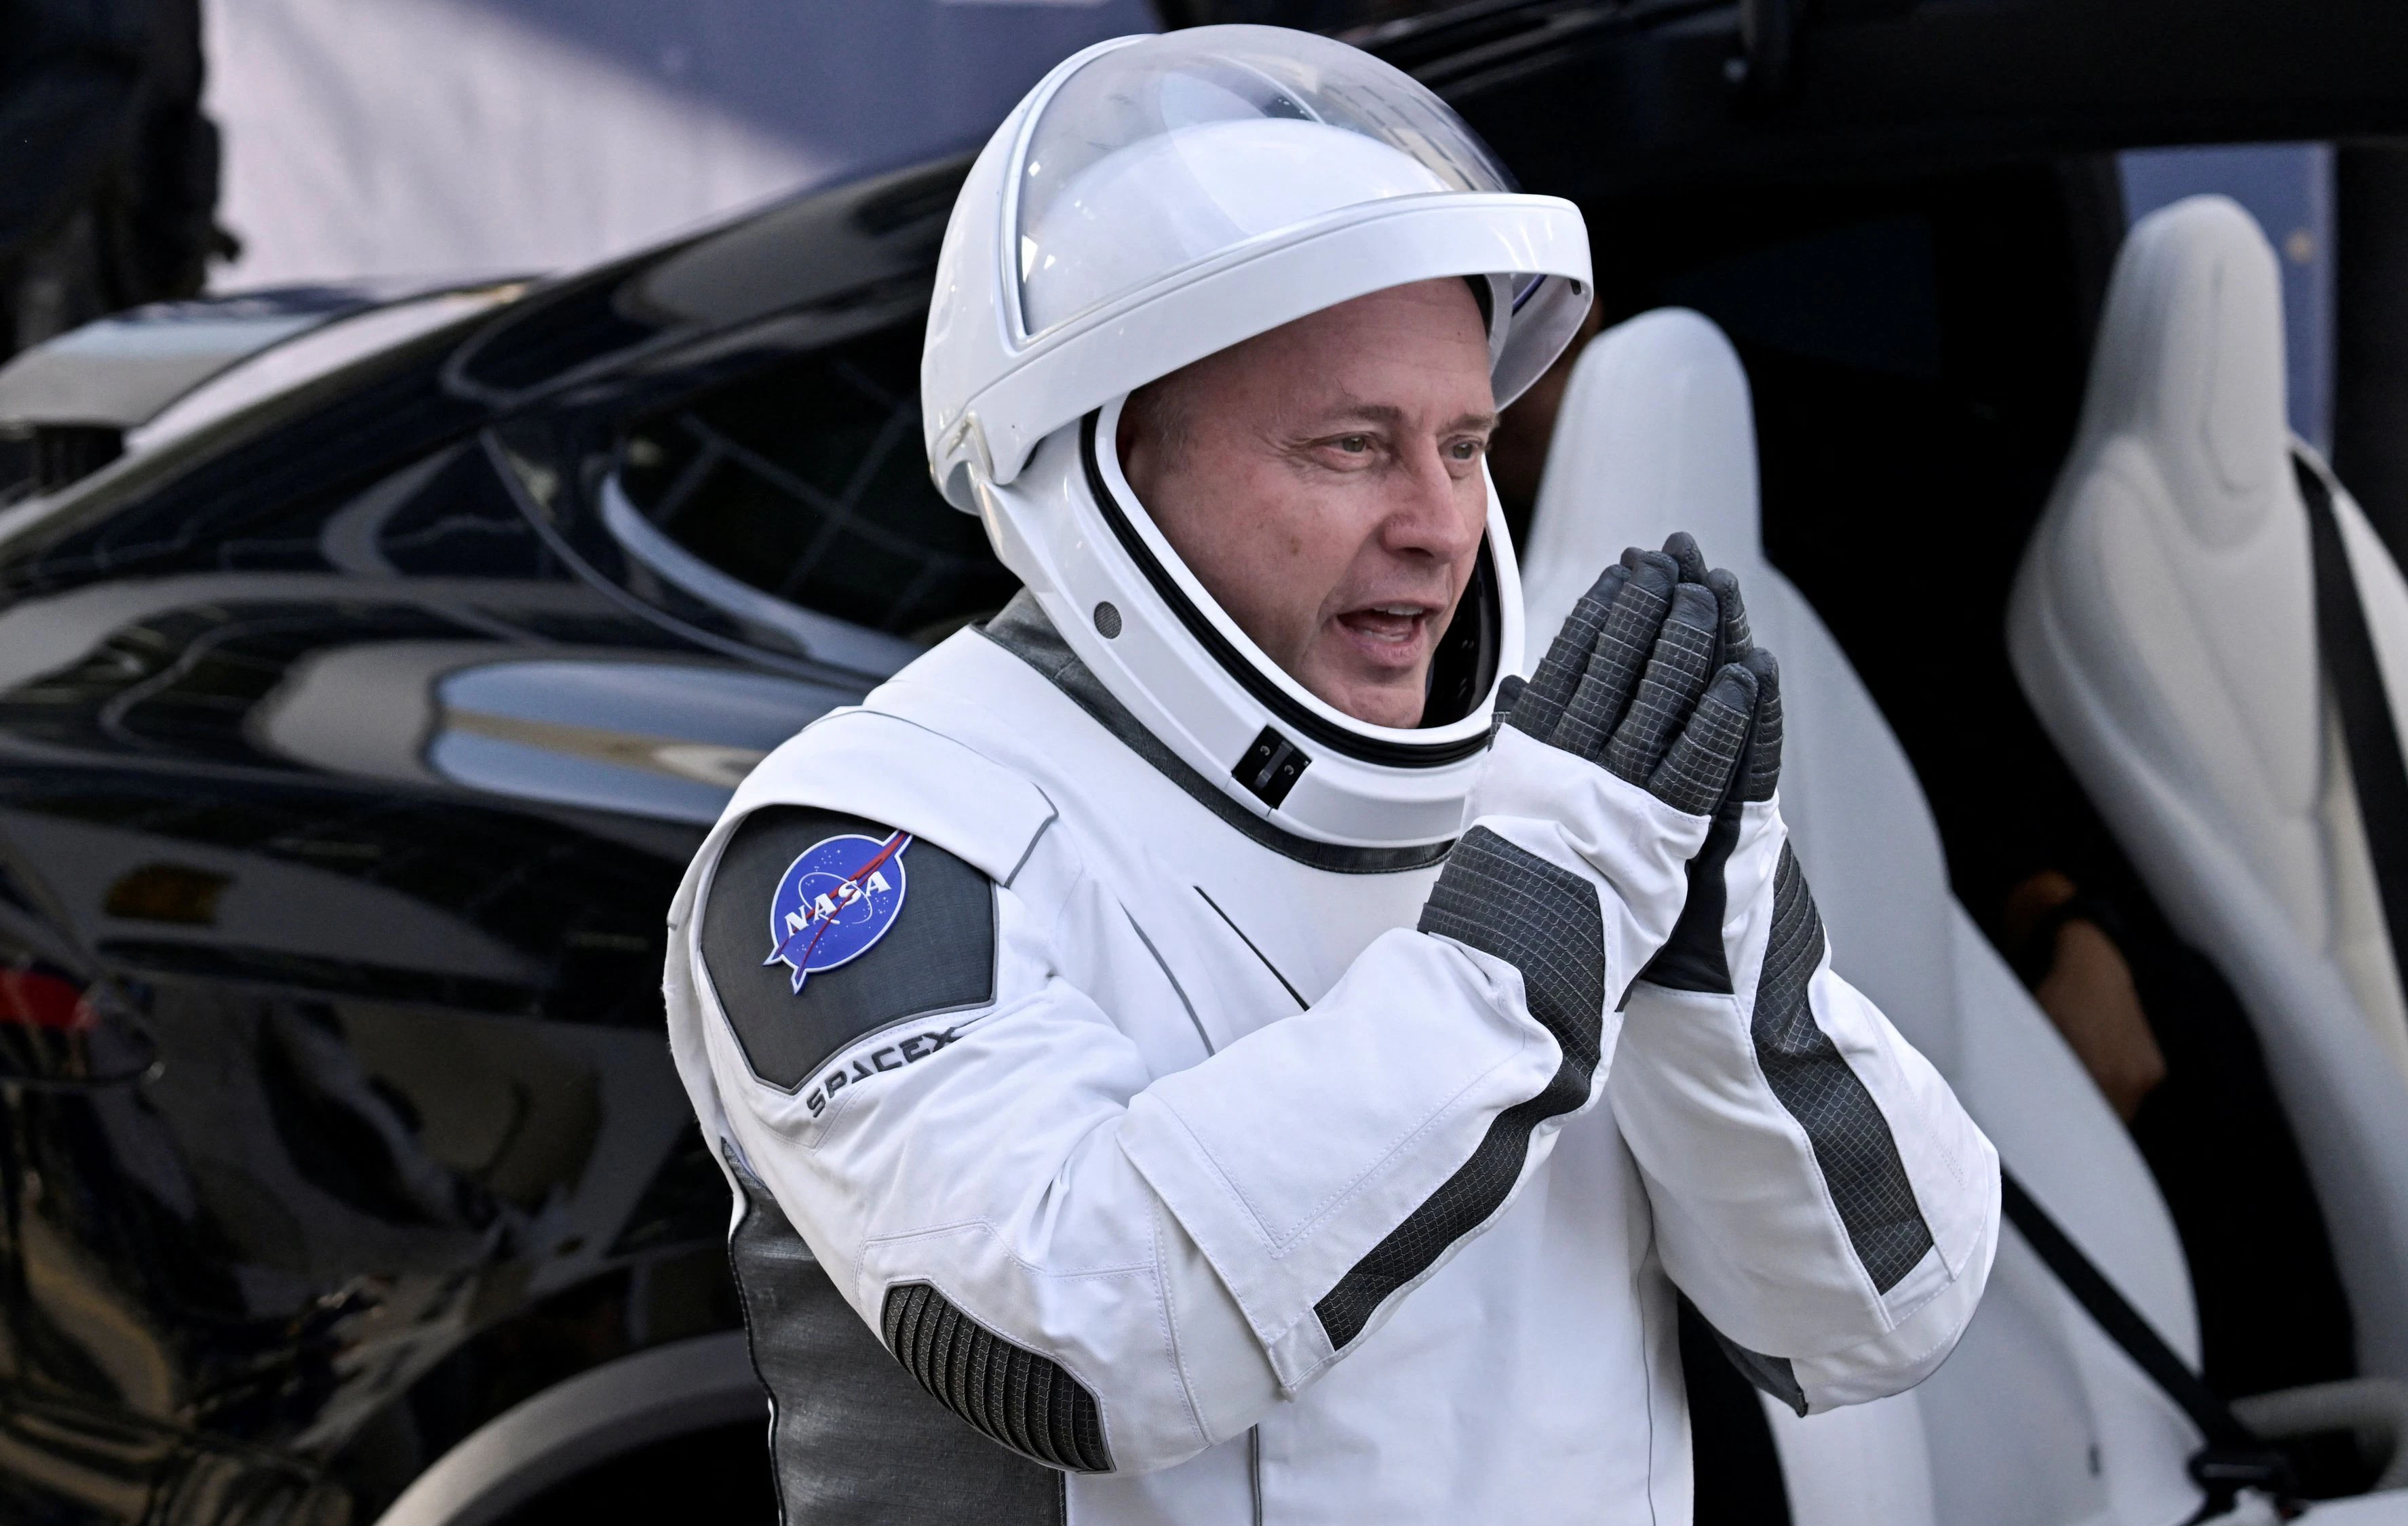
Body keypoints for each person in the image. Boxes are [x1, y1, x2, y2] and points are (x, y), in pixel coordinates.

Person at [663, 26, 1998, 1524]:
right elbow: (1074, 1342)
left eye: (1466, 443)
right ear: (1103, 466)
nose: (1438, 522)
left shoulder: (1555, 807)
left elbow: (1884, 1312)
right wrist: (1522, 956)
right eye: (1353, 446)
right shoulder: (878, 839)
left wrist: (1713, 949)